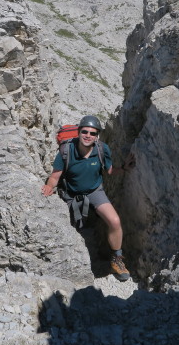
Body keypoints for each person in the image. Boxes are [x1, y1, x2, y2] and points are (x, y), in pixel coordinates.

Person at [41, 115, 134, 281]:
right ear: (78, 132)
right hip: (71, 193)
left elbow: (110, 170)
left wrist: (124, 169)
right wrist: (49, 186)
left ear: (97, 135)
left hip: (94, 190)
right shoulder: (66, 150)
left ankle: (117, 260)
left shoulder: (101, 149)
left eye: (92, 133)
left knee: (115, 221)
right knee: (74, 228)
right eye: (84, 131)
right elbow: (55, 176)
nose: (88, 135)